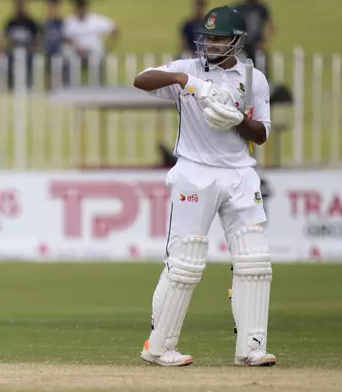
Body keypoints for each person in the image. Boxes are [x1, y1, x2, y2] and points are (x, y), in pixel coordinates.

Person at [133, 6, 275, 367]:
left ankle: (252, 347)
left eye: (218, 38)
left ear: (237, 41)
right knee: (185, 262)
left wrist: (237, 121)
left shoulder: (253, 78)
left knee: (254, 260)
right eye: (207, 37)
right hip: (195, 172)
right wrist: (187, 83)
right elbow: (141, 80)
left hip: (241, 173)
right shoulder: (188, 69)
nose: (210, 44)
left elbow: (260, 135)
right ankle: (159, 347)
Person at [63, 0, 119, 86]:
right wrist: (76, 46)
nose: (80, 9)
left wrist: (107, 48)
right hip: (77, 53)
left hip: (94, 53)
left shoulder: (96, 20)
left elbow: (114, 30)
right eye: (79, 6)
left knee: (97, 60)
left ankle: (99, 88)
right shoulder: (69, 21)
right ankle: (70, 87)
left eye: (82, 6)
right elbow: (66, 38)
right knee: (69, 58)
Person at [4, 0, 40, 90]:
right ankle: (11, 83)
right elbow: (6, 38)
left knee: (30, 57)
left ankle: (29, 83)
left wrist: (33, 46)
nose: (19, 8)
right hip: (13, 50)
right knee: (8, 58)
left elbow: (36, 38)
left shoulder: (31, 22)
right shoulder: (10, 22)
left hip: (28, 49)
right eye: (17, 6)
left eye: (21, 6)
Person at [234, 0, 274, 73]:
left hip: (257, 43)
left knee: (260, 67)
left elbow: (269, 26)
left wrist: (265, 42)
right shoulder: (238, 8)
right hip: (242, 43)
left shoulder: (261, 8)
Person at [43, 0, 65, 89]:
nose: (54, 9)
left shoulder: (63, 23)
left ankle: (62, 86)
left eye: (56, 7)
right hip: (49, 52)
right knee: (49, 66)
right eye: (51, 7)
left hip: (60, 52)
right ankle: (50, 88)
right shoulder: (45, 23)